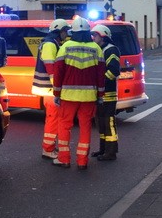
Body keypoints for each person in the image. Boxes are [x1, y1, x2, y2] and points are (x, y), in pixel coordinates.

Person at [52, 17, 104, 170]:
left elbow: (58, 72)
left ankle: (64, 159)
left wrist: (56, 93)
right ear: (88, 32)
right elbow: (100, 75)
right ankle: (82, 161)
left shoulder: (66, 46)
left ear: (72, 32)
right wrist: (100, 96)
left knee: (64, 125)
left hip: (68, 96)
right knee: (85, 127)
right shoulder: (96, 48)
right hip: (89, 96)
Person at [31, 18, 69, 159]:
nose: (66, 34)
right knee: (53, 119)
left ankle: (50, 147)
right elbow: (51, 68)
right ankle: (48, 149)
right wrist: (57, 88)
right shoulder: (50, 44)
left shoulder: (51, 43)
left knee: (54, 118)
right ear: (58, 31)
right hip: (48, 88)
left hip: (47, 88)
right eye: (65, 31)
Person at [91, 25, 121, 161]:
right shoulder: (100, 49)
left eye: (95, 35)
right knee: (101, 123)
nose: (93, 38)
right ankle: (103, 150)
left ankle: (111, 152)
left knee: (108, 123)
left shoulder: (111, 50)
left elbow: (114, 71)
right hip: (100, 94)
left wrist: (101, 81)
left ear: (103, 36)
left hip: (108, 94)